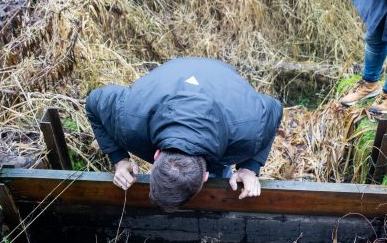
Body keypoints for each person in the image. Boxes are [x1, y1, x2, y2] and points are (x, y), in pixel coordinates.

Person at [86, 57, 283, 211]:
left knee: (217, 171)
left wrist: (249, 167)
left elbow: (275, 108)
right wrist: (119, 159)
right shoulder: (128, 120)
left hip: (222, 81)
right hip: (169, 78)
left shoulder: (249, 128)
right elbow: (94, 102)